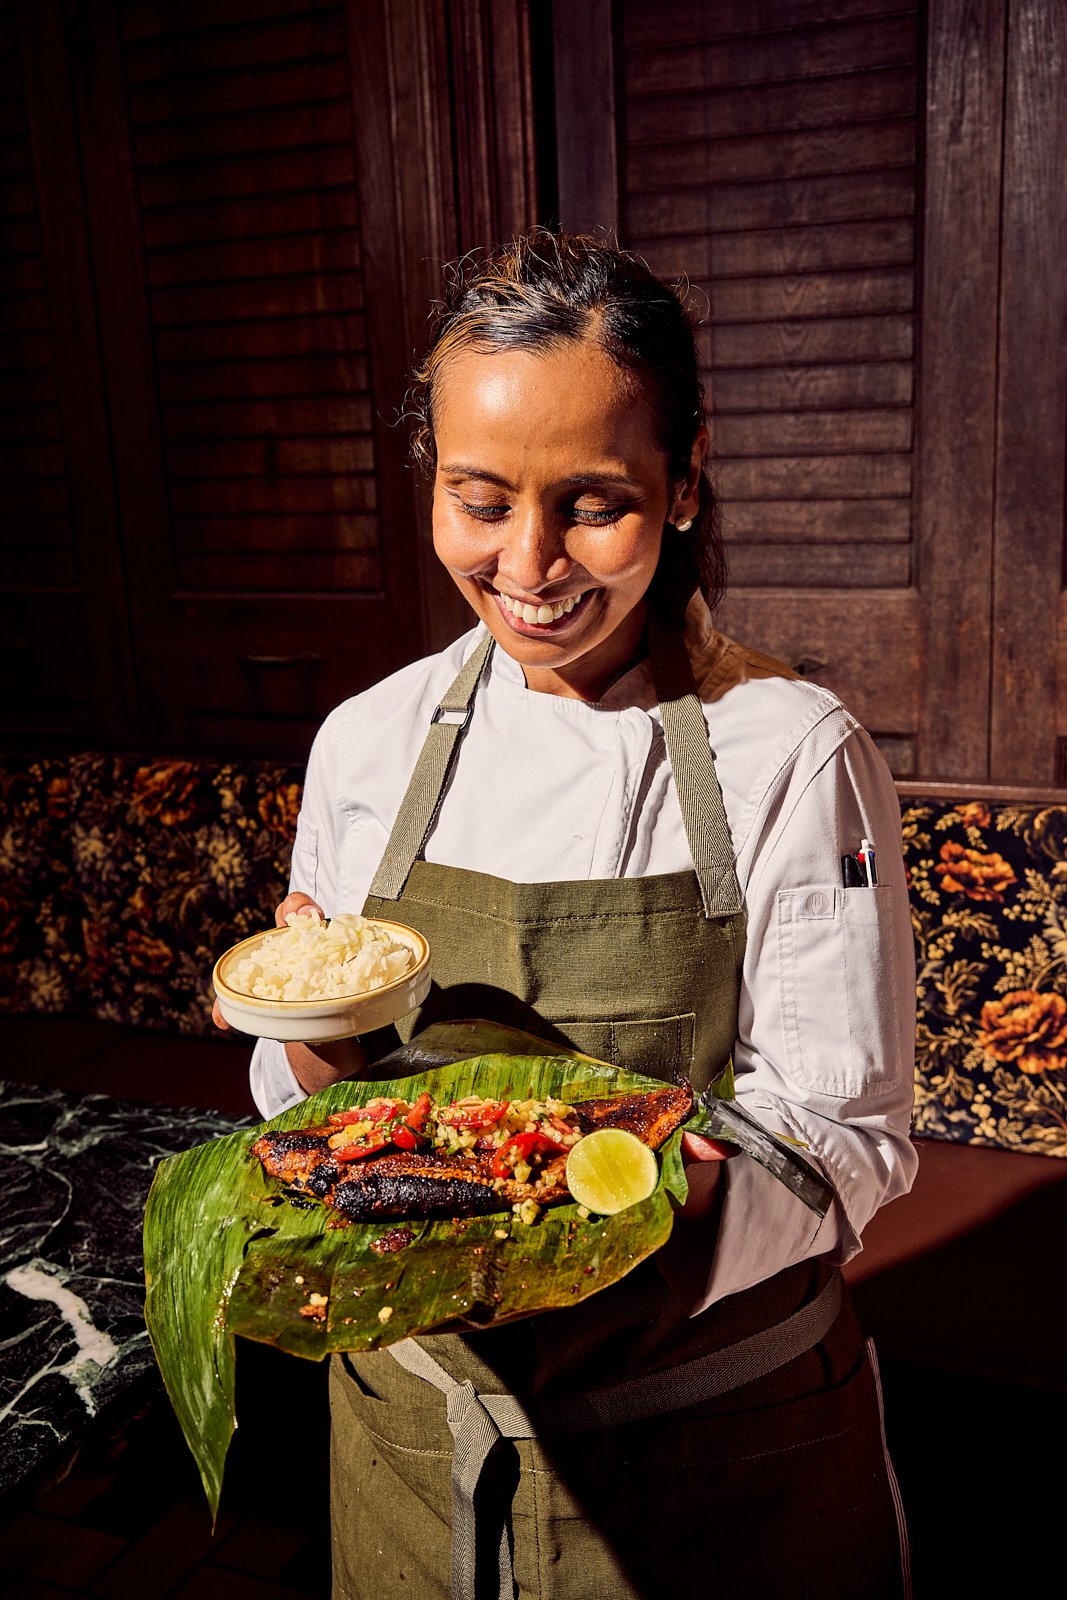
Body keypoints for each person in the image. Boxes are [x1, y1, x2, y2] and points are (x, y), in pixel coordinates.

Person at [240, 230, 916, 1599]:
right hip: (412, 1440)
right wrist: (307, 1037)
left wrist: (595, 1239)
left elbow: (843, 1130)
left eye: (592, 501)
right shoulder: (367, 745)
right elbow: (305, 1099)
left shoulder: (790, 751)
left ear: (682, 480)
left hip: (709, 1448)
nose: (531, 565)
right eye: (480, 500)